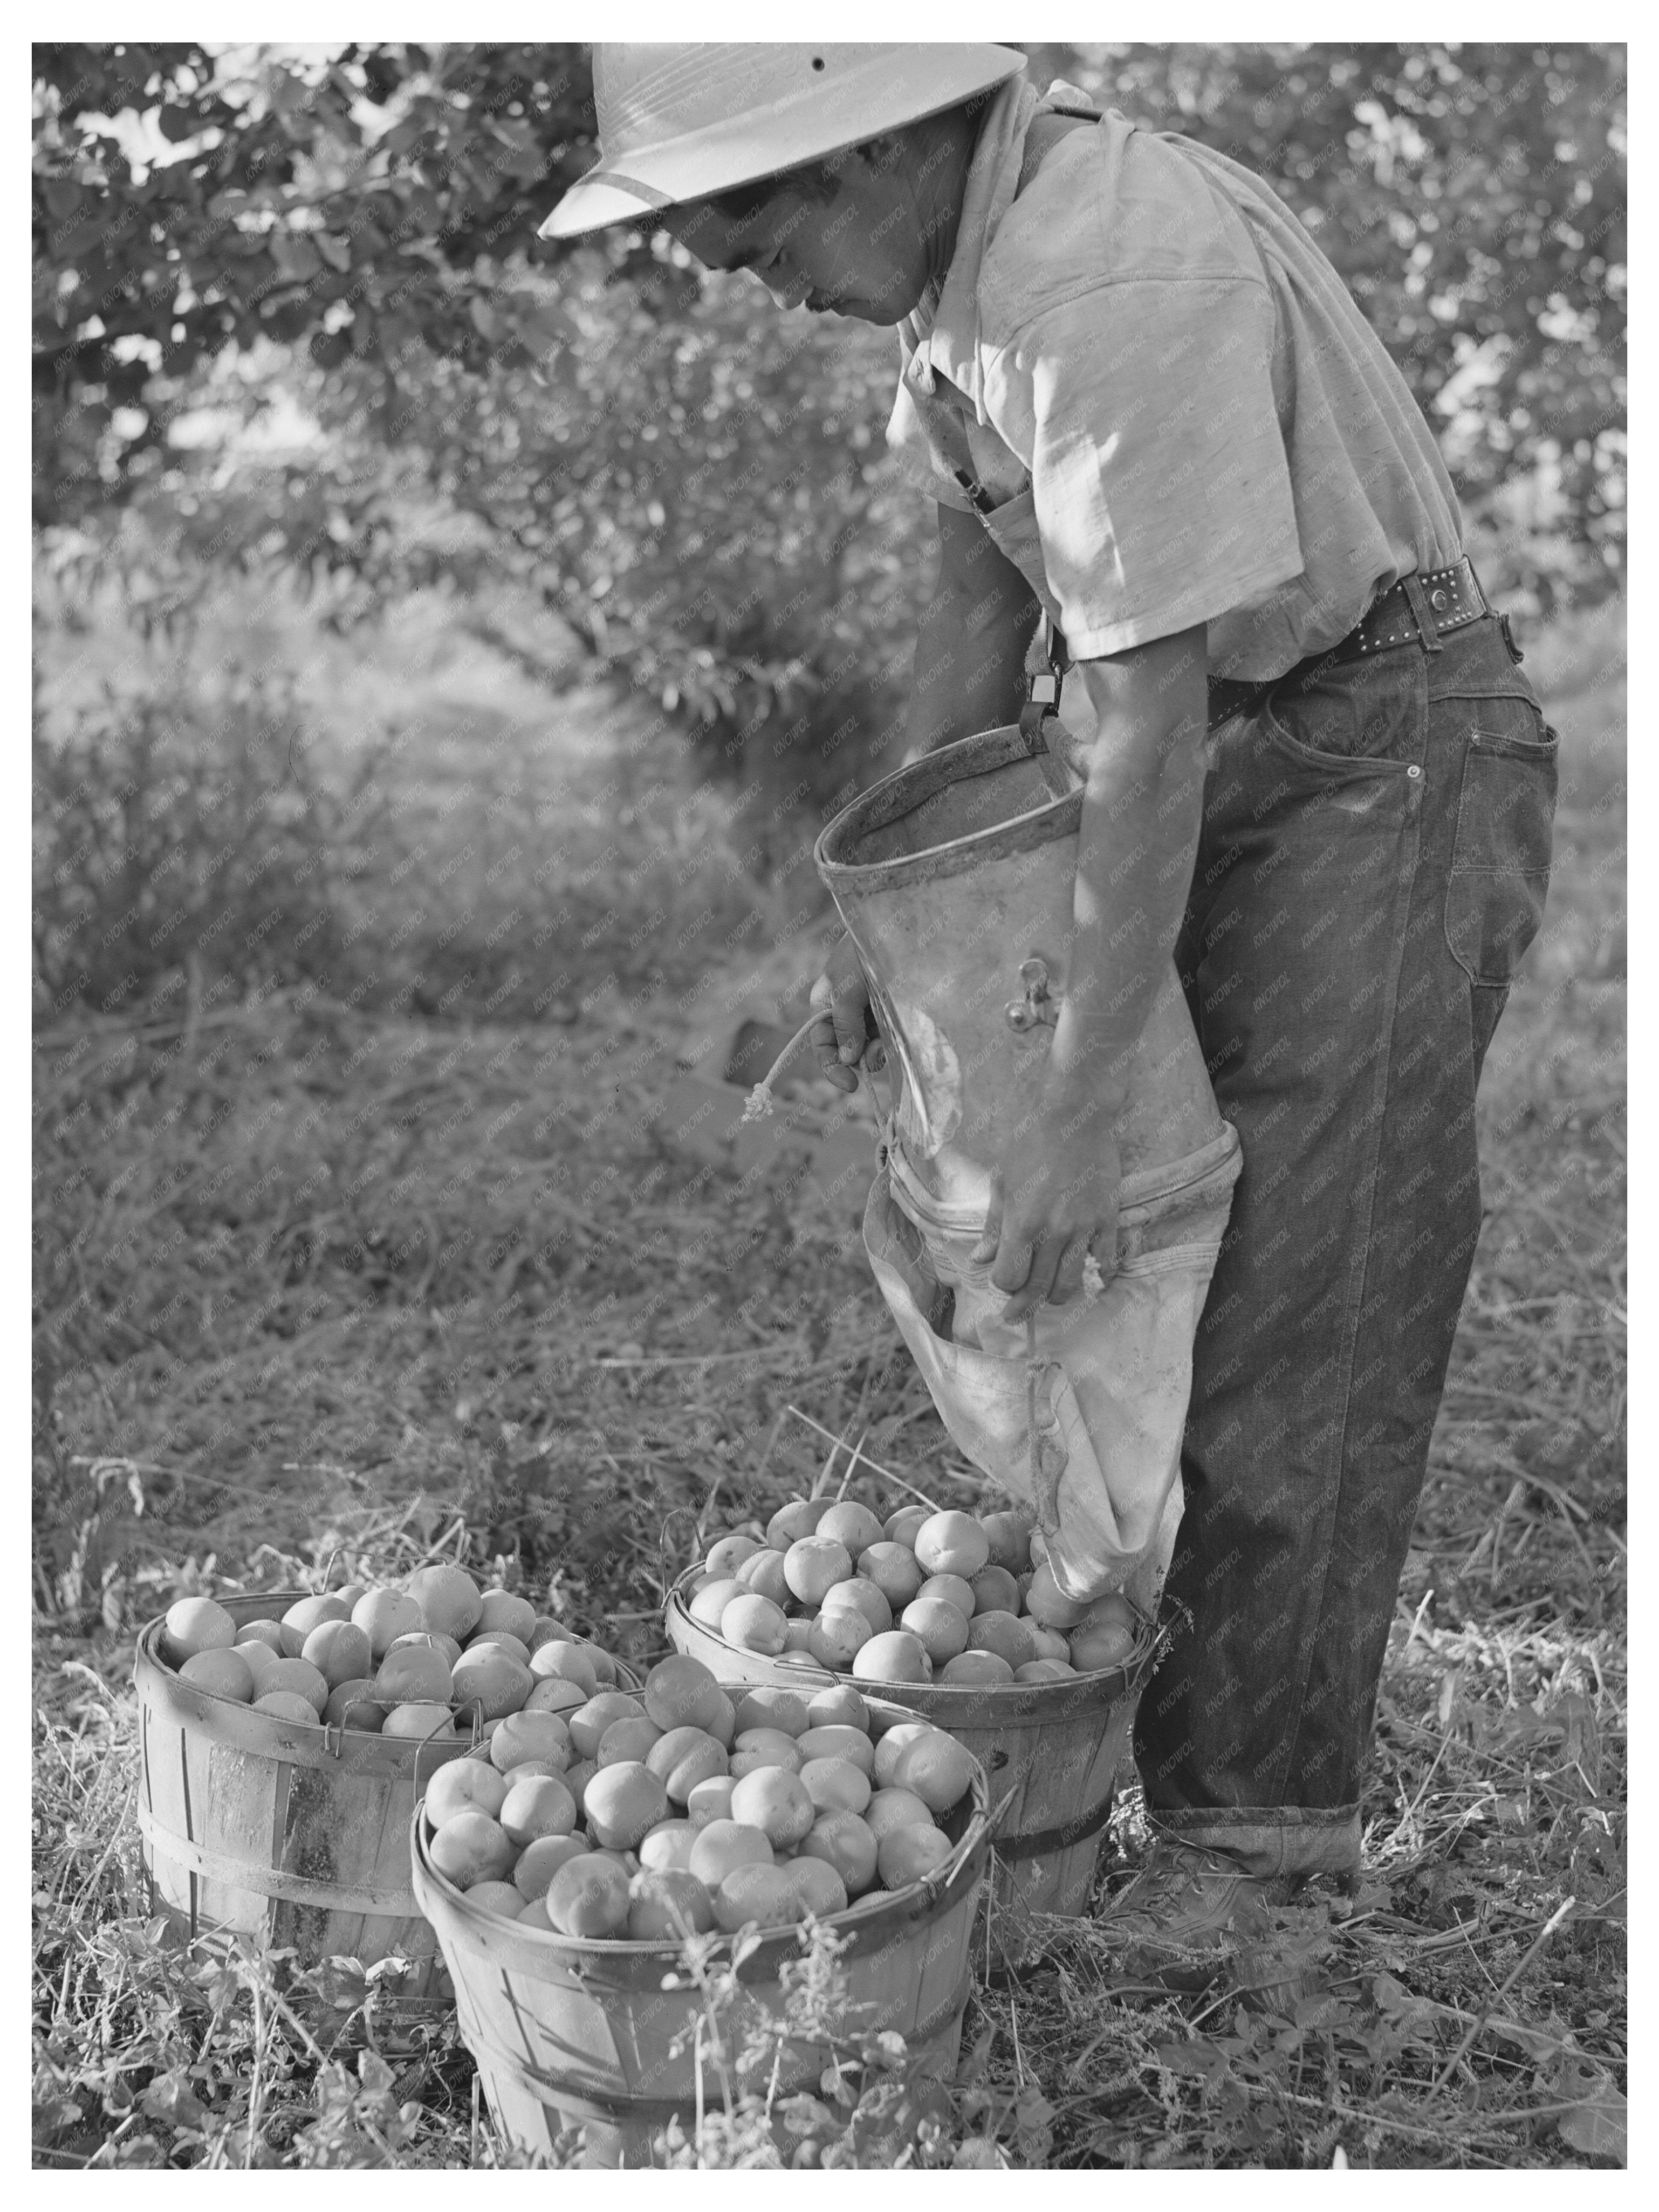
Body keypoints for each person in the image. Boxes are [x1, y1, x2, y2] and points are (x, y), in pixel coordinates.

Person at [540, 44, 1558, 1976]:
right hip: (1235, 739)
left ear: (883, 136)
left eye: (750, 217)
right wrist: (893, 922)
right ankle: (1113, 1740)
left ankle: (1262, 1866)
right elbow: (977, 606)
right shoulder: (959, 288)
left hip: (1374, 746)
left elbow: (1153, 714)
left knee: (1296, 1290)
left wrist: (1080, 1102)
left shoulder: (1098, 282)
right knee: (1109, 1280)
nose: (732, 264)